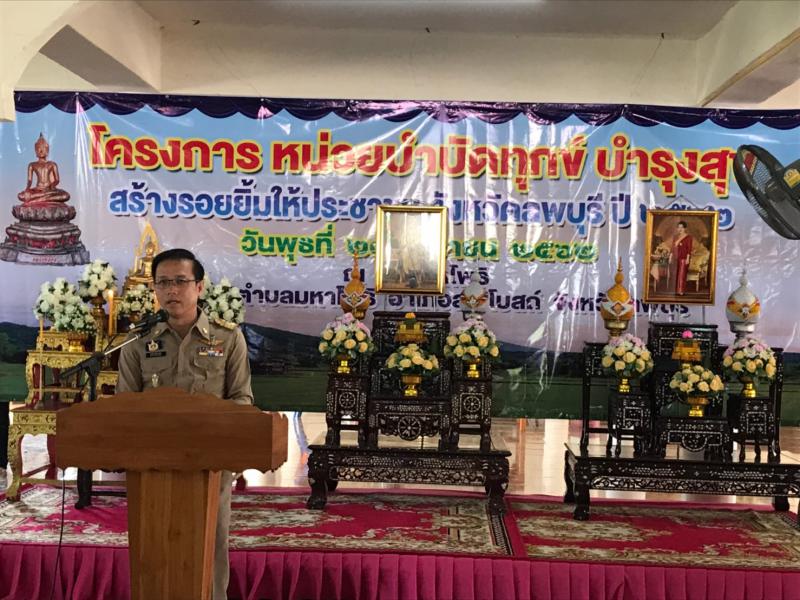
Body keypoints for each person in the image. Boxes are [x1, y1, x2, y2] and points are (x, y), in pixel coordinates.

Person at [116, 248, 253, 600]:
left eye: (180, 281)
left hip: (208, 465)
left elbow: (241, 400)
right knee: (153, 545)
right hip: (152, 466)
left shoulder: (227, 338)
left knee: (210, 544)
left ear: (200, 287)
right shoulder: (138, 341)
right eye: (163, 283)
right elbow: (124, 406)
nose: (171, 290)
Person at [17, 133, 71, 204]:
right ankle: (45, 198)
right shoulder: (32, 165)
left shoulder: (52, 164)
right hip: (38, 190)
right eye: (38, 148)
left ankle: (36, 200)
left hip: (49, 189)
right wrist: (27, 189)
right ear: (36, 150)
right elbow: (29, 180)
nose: (41, 151)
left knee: (66, 196)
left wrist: (52, 186)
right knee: (20, 196)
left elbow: (57, 180)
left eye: (43, 148)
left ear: (47, 150)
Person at [670, 220, 693, 296]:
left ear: (685, 228)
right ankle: (676, 290)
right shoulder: (675, 237)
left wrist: (688, 258)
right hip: (676, 258)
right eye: (678, 227)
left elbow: (689, 249)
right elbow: (672, 248)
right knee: (675, 274)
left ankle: (681, 291)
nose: (680, 229)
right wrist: (670, 257)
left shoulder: (688, 237)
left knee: (682, 275)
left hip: (684, 258)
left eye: (682, 227)